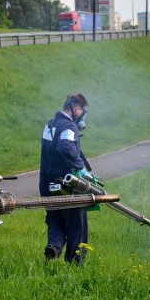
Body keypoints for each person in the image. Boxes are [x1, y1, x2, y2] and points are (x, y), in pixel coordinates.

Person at [39, 93, 91, 264]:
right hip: (66, 184)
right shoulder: (68, 127)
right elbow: (65, 148)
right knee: (77, 226)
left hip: (47, 184)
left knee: (55, 221)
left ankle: (54, 246)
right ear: (77, 109)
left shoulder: (50, 124)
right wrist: (79, 168)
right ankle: (75, 264)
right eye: (83, 111)